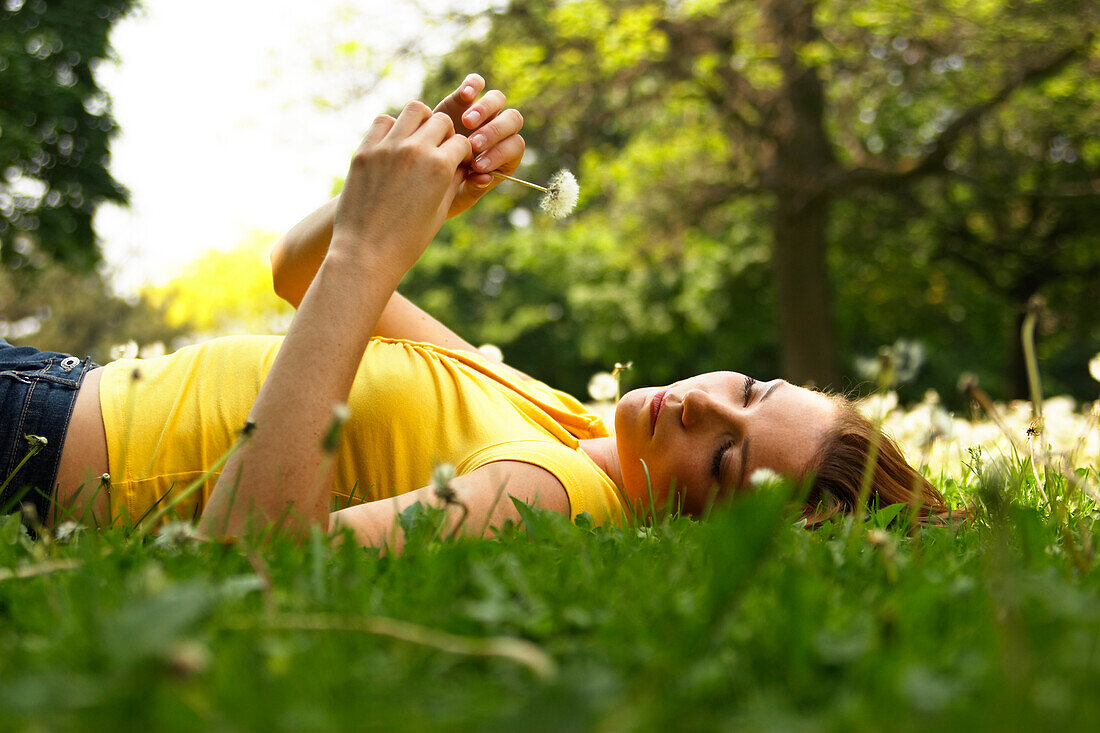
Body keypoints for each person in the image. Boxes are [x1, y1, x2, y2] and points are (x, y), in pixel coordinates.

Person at [0, 74, 950, 547]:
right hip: (51, 383)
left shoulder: (556, 494)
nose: (706, 405)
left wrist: (375, 250)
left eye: (729, 457)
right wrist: (416, 205)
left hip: (32, 446)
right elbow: (299, 273)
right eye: (750, 387)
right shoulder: (571, 428)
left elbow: (258, 556)